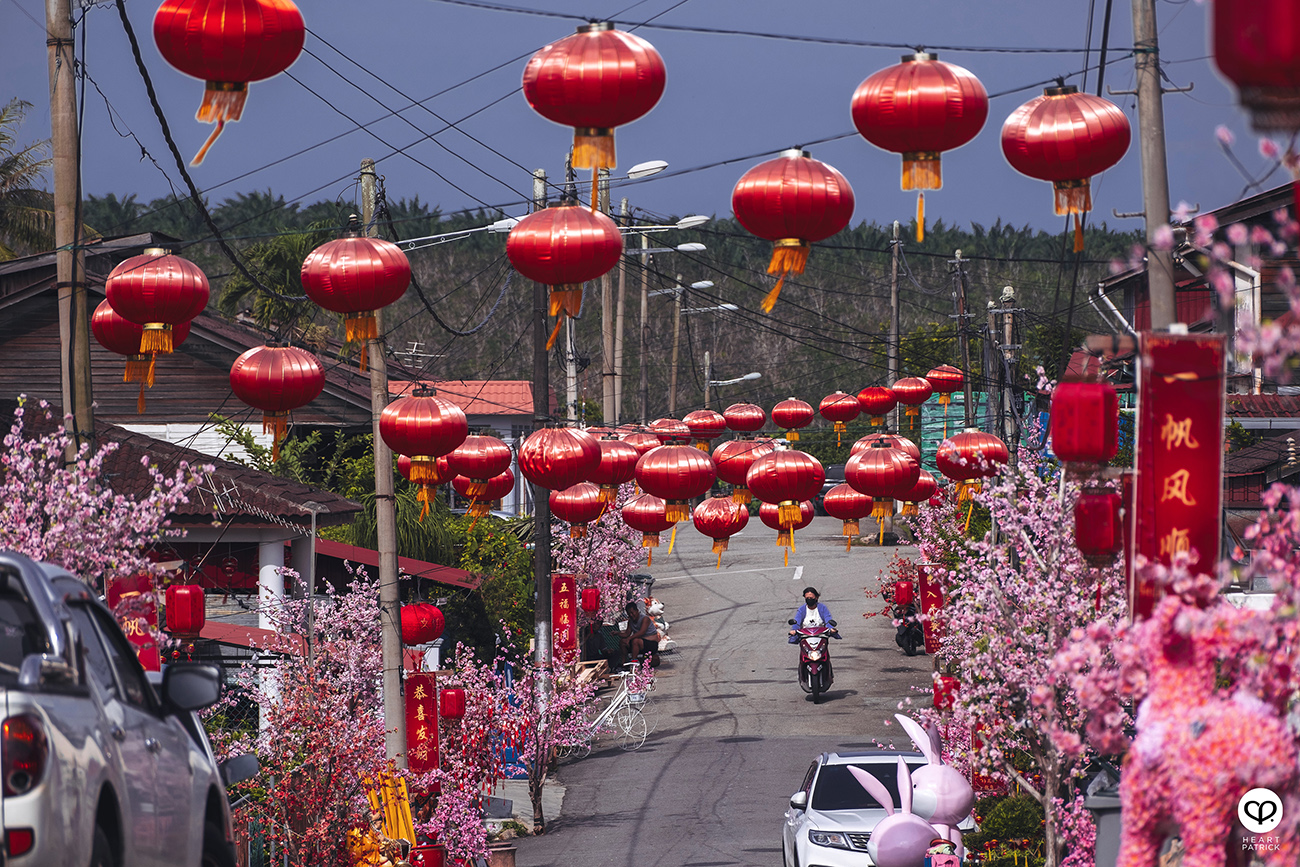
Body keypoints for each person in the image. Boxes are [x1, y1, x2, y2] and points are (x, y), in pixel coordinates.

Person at [619, 600, 660, 666]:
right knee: (622, 642)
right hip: (639, 643)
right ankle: (623, 663)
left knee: (635, 641)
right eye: (629, 614)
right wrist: (617, 633)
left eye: (632, 613)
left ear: (637, 611)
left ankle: (633, 662)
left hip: (651, 643)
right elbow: (627, 633)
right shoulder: (630, 621)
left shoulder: (645, 619)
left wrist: (629, 638)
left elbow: (642, 632)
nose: (631, 615)